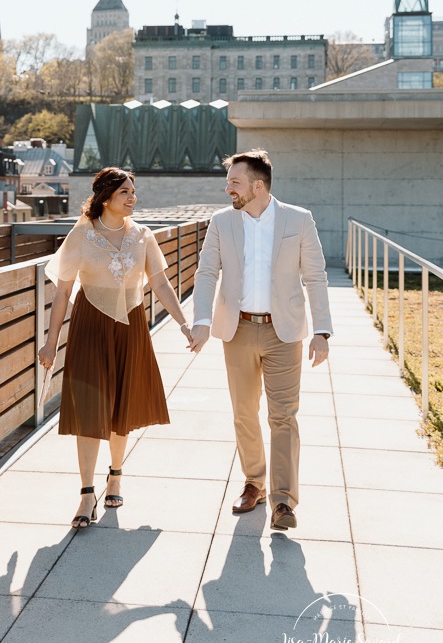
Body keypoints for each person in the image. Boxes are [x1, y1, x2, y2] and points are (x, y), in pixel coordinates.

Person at [38, 167, 192, 529]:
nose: (132, 197)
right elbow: (62, 293)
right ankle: (86, 494)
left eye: (133, 191)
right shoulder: (81, 236)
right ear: (106, 197)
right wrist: (50, 343)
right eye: (125, 192)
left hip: (132, 326)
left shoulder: (143, 235)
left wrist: (184, 323)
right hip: (90, 326)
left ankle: (117, 475)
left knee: (123, 405)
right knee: (90, 410)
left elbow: (161, 283)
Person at [189, 149, 333, 531]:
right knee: (243, 413)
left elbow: (315, 277)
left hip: (283, 332)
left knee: (283, 416)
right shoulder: (222, 222)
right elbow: (206, 273)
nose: (228, 188)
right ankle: (254, 482)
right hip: (236, 331)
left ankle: (283, 501)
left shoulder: (298, 220)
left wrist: (321, 331)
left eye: (234, 182)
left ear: (257, 185)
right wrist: (201, 320)